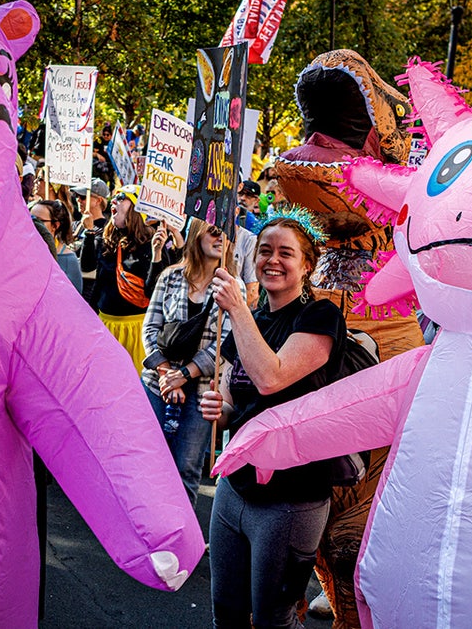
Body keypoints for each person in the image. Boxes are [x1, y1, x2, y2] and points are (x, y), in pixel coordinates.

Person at [201, 208, 346, 629]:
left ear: (307, 265)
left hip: (291, 498)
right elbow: (233, 403)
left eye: (286, 253)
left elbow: (271, 377)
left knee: (273, 619)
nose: (272, 261)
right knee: (225, 612)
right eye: (265, 251)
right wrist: (218, 408)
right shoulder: (251, 320)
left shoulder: (320, 317)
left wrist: (238, 310)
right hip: (235, 489)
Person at [142, 218, 234, 506]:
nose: (220, 238)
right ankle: (146, 536)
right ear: (196, 234)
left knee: (186, 469)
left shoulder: (232, 286)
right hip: (158, 386)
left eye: (225, 234)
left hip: (201, 392)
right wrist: (167, 374)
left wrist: (183, 375)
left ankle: (180, 544)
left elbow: (224, 344)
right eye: (213, 231)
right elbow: (150, 328)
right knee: (147, 466)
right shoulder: (170, 276)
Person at [80, 185, 166, 373]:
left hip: (136, 329)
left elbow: (152, 293)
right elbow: (88, 268)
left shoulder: (150, 244)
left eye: (121, 197)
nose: (114, 201)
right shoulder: (107, 238)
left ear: (137, 208)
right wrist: (88, 233)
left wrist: (157, 254)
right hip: (106, 325)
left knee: (134, 387)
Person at [31, 199, 81, 292]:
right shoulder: (23, 252)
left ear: (55, 226)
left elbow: (75, 298)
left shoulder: (68, 259)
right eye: (30, 218)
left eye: (39, 221)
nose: (33, 224)